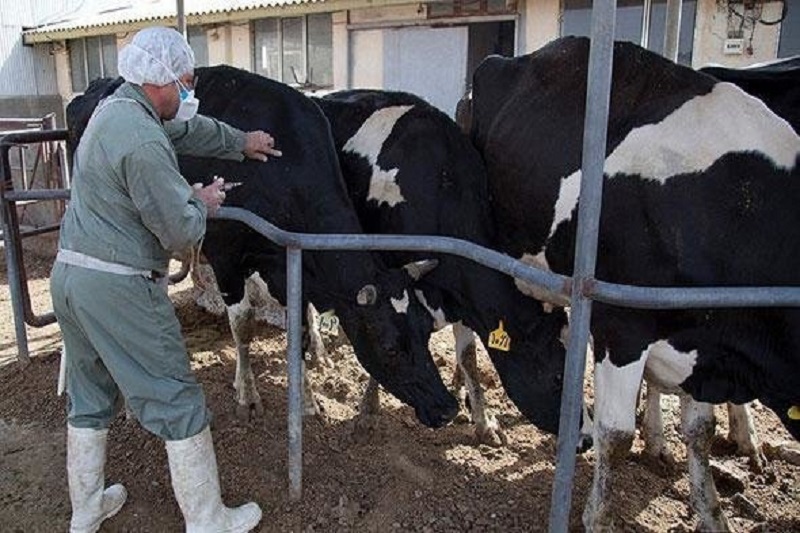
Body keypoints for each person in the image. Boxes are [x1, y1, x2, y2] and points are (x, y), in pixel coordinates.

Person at [50, 26, 281, 533]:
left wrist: (242, 143)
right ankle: (207, 519)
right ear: (163, 81)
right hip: (118, 285)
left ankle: (87, 510)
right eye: (188, 80)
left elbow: (189, 131)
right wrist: (201, 202)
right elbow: (179, 231)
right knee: (176, 399)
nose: (192, 90)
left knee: (89, 397)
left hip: (71, 276)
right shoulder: (142, 142)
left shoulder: (118, 110)